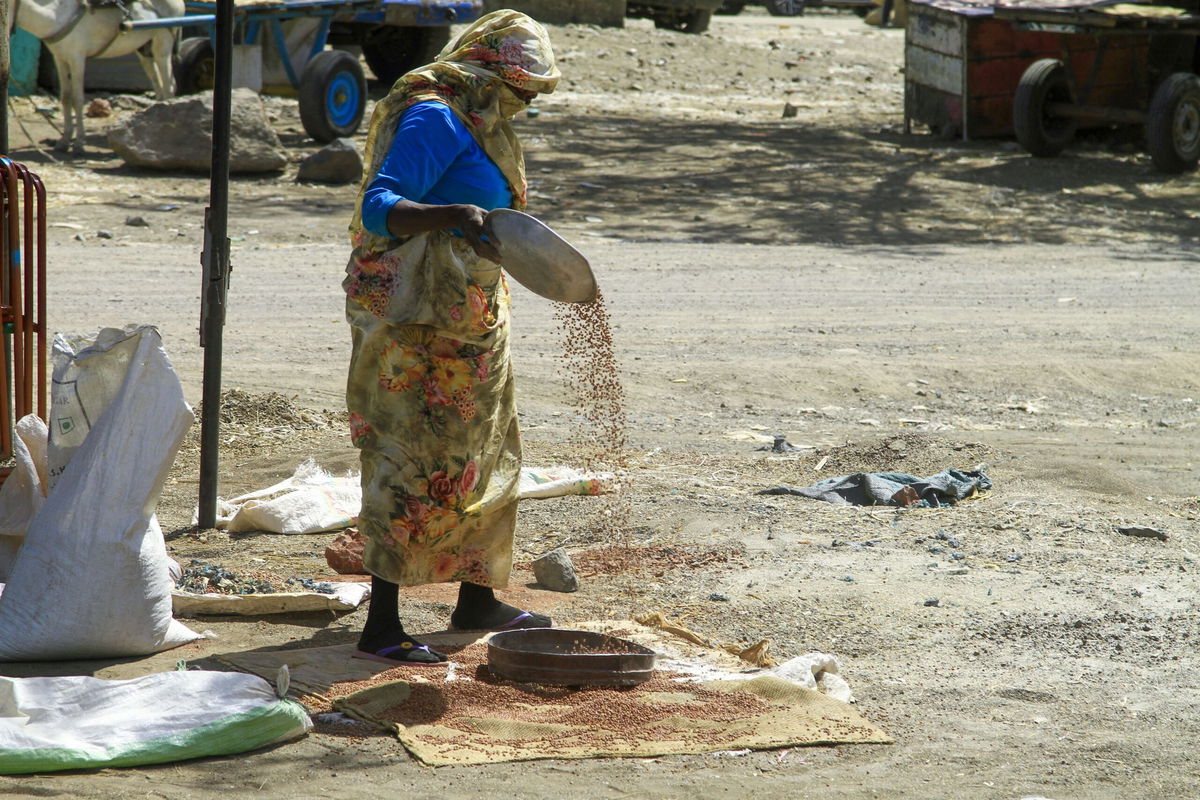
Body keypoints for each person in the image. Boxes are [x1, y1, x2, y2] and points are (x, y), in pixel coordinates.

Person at [343, 10, 560, 666]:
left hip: (472, 317)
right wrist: (454, 214)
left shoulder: (484, 121)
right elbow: (379, 206)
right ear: (486, 73)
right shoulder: (437, 115)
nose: (524, 105)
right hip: (415, 328)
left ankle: (476, 598)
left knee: (486, 456)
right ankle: (383, 624)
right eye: (521, 90)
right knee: (407, 464)